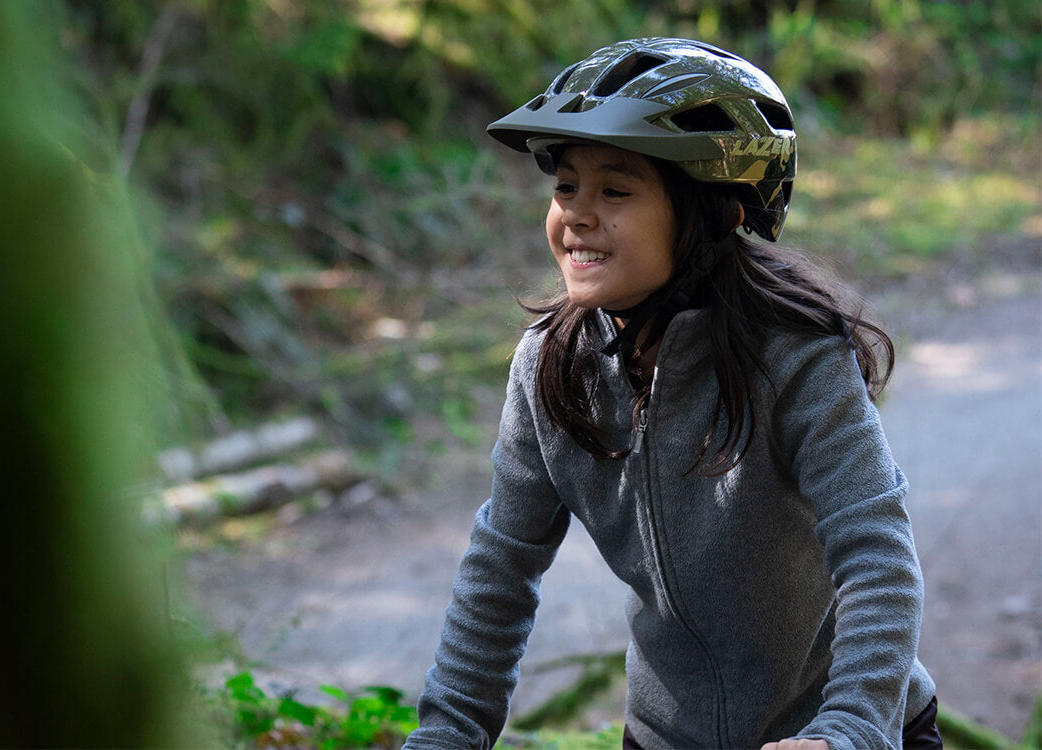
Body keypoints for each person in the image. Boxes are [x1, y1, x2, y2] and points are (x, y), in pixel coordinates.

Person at [403, 38, 941, 750]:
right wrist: (445, 736)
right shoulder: (549, 370)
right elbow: (499, 572)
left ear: (713, 215)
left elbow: (876, 551)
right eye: (566, 187)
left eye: (615, 191)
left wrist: (849, 728)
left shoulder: (795, 355)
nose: (577, 215)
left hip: (836, 730)